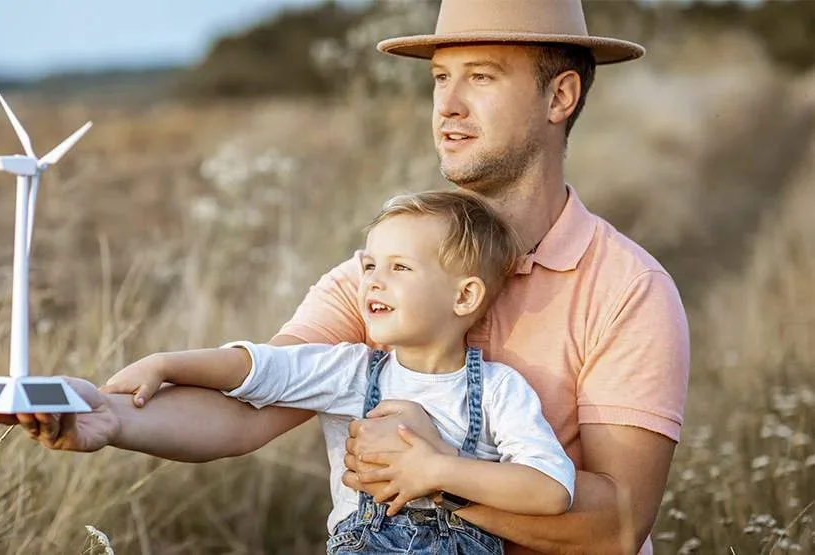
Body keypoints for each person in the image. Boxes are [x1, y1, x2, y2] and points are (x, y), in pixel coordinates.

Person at [0, 1, 690, 553]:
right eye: (440, 78)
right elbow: (250, 405)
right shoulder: (381, 274)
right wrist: (110, 417)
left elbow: (616, 525)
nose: (446, 106)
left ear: (559, 95)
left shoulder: (628, 290)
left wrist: (430, 476)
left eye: (481, 76)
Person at [104, 190, 576, 553]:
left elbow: (551, 490)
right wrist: (165, 363)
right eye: (370, 265)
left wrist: (436, 470)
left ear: (465, 297)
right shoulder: (349, 371)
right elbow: (259, 367)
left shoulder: (499, 390)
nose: (372, 279)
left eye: (399, 268)